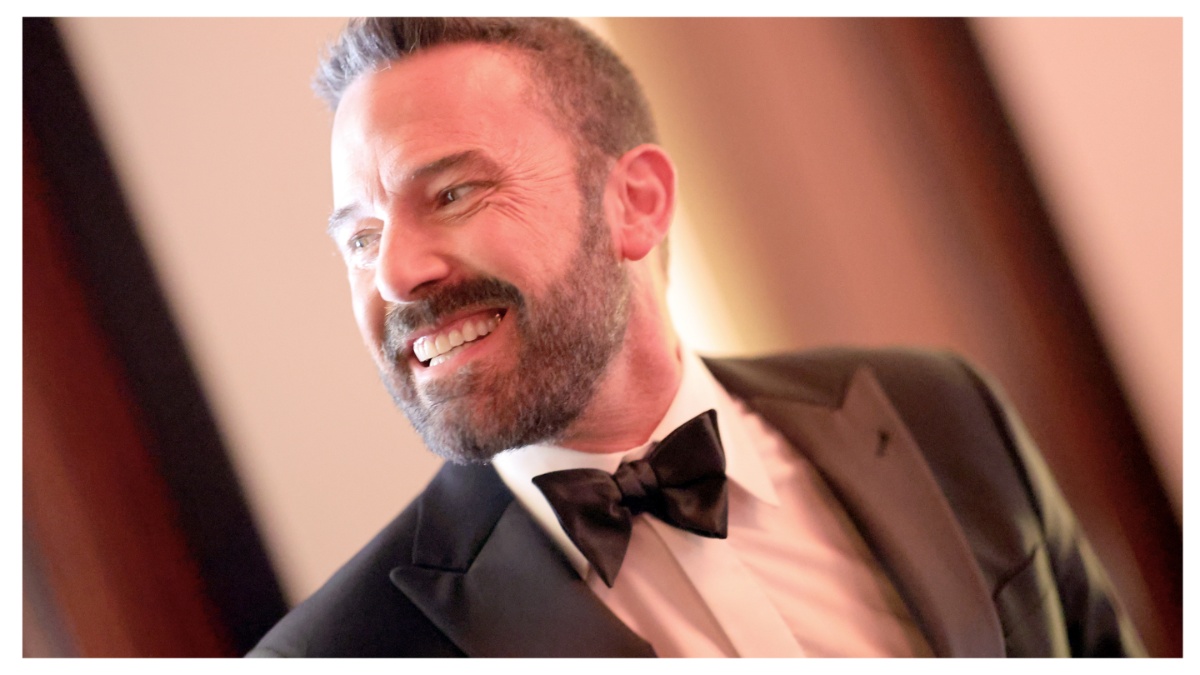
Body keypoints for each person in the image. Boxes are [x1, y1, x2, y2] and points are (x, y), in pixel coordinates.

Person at [248, 17, 1143, 657]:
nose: (396, 274)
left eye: (454, 194)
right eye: (361, 239)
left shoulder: (941, 409)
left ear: (635, 203)